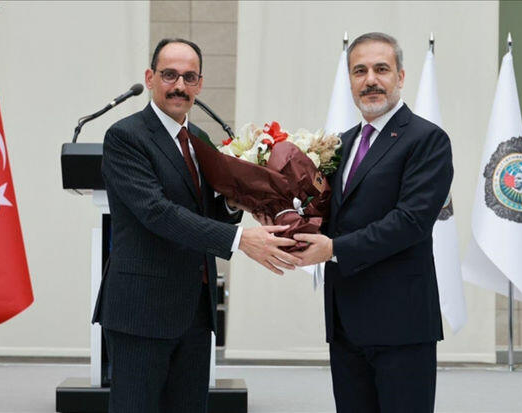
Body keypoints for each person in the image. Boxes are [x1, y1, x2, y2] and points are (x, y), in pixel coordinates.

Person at [92, 38, 300, 413]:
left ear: (200, 84)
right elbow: (157, 213)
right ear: (150, 78)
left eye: (189, 77)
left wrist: (237, 201)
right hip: (142, 312)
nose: (180, 86)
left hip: (195, 312)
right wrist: (239, 239)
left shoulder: (199, 140)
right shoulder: (125, 137)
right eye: (169, 75)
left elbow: (203, 213)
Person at [294, 32, 453, 412]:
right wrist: (285, 217)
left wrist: (333, 248)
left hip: (401, 324)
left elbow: (411, 221)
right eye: (359, 71)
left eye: (381, 69)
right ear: (349, 80)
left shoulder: (427, 140)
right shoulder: (340, 144)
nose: (370, 80)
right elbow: (329, 214)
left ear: (401, 76)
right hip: (345, 323)